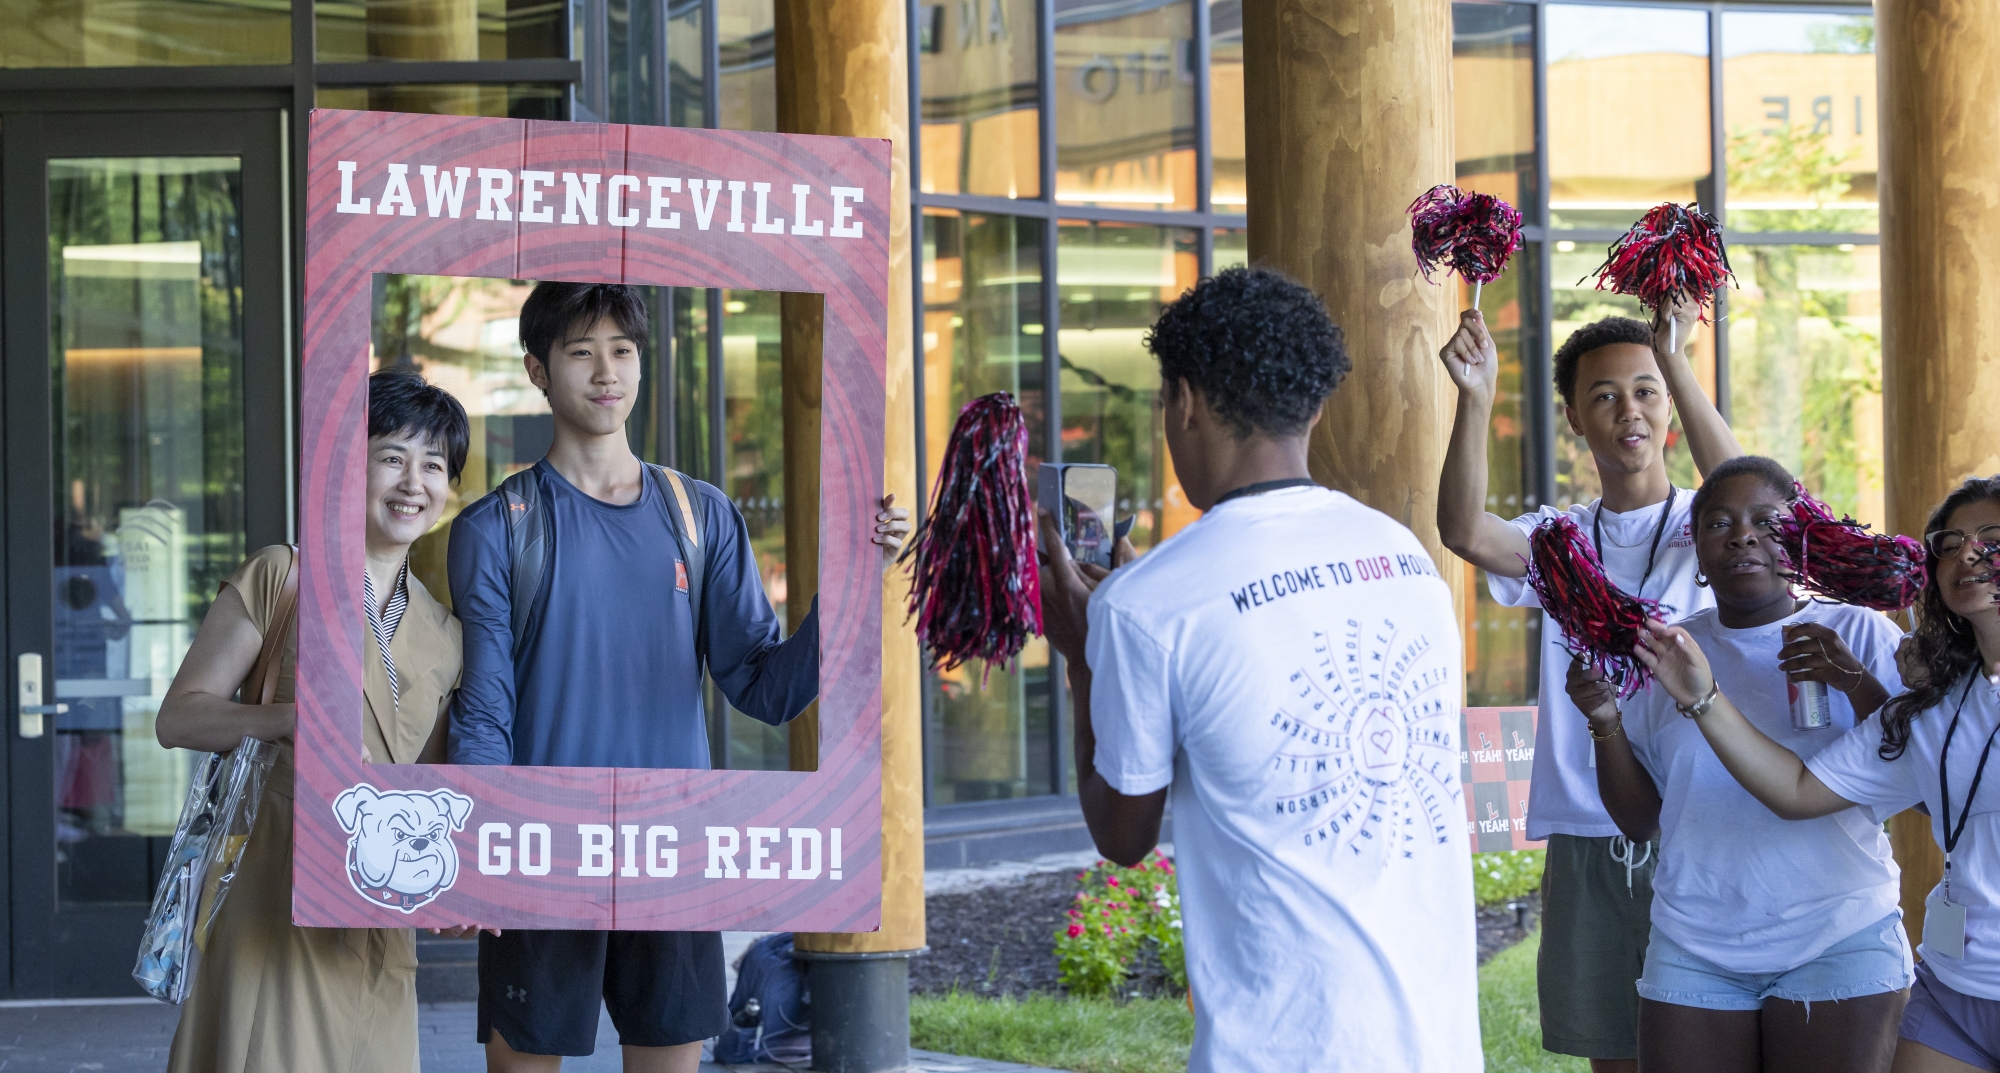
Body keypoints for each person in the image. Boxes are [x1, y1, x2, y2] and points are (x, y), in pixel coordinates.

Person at [446, 281, 909, 1073]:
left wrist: (859, 579)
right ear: (537, 369)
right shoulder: (497, 528)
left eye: (622, 350)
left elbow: (766, 686)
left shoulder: (698, 514)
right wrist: (477, 856)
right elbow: (484, 713)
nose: (606, 372)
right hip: (544, 845)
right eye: (580, 352)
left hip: (671, 846)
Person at [1037, 266, 1481, 1072]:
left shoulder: (1147, 606)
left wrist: (1081, 660)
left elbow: (1122, 833)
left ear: (1185, 403)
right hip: (1437, 1044)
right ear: (1313, 405)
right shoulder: (1405, 558)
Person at [1437, 301, 1742, 1070]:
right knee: (1614, 1050)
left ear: (1671, 402)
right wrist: (1475, 397)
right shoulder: (1558, 542)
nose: (1628, 411)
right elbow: (1466, 530)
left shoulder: (1708, 529)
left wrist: (1677, 359)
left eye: (1646, 390)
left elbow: (1748, 498)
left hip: (1701, 824)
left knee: (1717, 1047)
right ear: (1574, 415)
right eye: (1604, 395)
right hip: (1589, 828)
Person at [159, 370, 472, 1073]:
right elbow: (179, 717)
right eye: (391, 456)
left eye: (434, 465)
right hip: (275, 891)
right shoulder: (282, 576)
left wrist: (463, 886)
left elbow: (437, 783)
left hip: (382, 909)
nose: (412, 481)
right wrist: (288, 720)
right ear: (347, 464)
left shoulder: (448, 631)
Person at [1566, 456, 1909, 1073]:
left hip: (1838, 933)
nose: (1743, 535)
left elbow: (1905, 769)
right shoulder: (1669, 652)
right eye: (1718, 523)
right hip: (1696, 942)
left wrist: (1852, 680)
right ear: (1696, 551)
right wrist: (1605, 722)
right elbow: (1642, 821)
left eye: (1766, 521)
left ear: (1799, 535)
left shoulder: (1857, 632)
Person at [1657, 475, 2000, 1073]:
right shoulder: (1931, 704)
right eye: (1949, 542)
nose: (1966, 553)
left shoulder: (1895, 664)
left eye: (1991, 538)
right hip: (1954, 985)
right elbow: (1797, 790)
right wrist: (1704, 697)